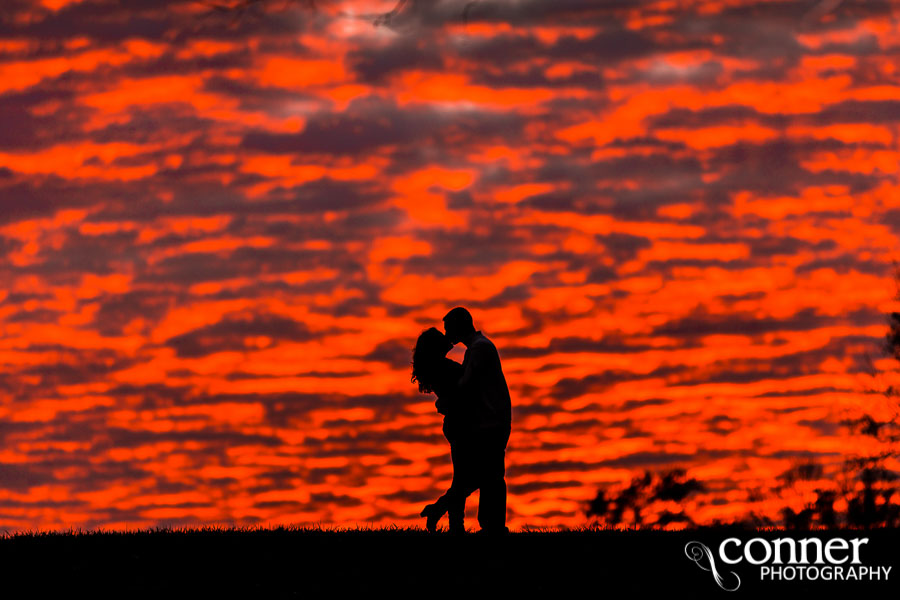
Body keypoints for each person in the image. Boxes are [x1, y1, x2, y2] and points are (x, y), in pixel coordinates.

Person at [441, 306, 512, 535]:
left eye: (448, 329)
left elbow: (466, 385)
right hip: (491, 420)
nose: (447, 336)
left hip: (492, 421)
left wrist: (445, 401)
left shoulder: (480, 349)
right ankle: (492, 526)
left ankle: (494, 527)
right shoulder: (477, 348)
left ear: (459, 327)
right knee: (490, 474)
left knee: (491, 475)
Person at [410, 327, 477, 534]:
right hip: (461, 425)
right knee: (475, 477)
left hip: (455, 424)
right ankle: (440, 510)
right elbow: (464, 387)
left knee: (461, 478)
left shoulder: (434, 368)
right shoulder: (443, 368)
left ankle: (456, 526)